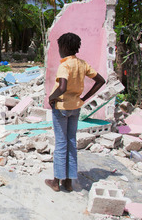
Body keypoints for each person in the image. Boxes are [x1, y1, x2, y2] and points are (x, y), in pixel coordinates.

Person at [45, 33, 106, 192]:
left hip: (61, 108)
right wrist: (84, 97)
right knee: (71, 142)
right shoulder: (82, 64)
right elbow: (100, 81)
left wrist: (51, 98)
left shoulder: (65, 65)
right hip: (75, 107)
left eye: (59, 48)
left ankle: (56, 181)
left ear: (64, 48)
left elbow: (62, 87)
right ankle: (69, 182)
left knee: (61, 143)